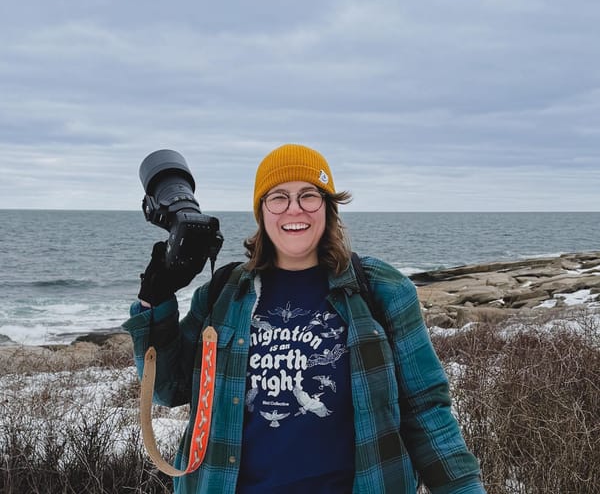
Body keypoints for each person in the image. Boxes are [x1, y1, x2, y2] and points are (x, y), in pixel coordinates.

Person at [123, 143, 486, 494]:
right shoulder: (224, 293)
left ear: (328, 207)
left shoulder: (380, 290)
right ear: (261, 211)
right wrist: (156, 299)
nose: (294, 209)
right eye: (278, 197)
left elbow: (426, 410)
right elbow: (167, 389)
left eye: (309, 196)